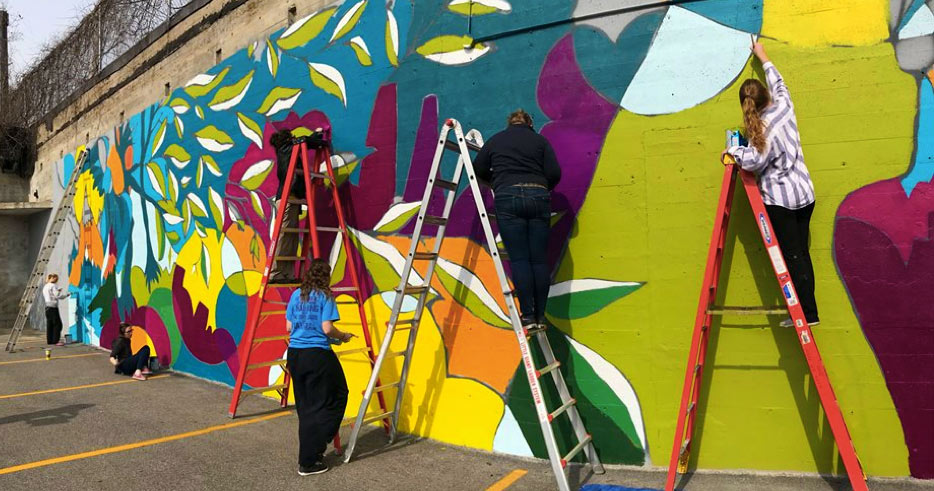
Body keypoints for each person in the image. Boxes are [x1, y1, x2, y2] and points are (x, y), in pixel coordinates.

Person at [722, 39, 819, 327]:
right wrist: (762, 56)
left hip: (782, 202)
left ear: (746, 105)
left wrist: (732, 150)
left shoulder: (762, 131)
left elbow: (753, 161)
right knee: (803, 252)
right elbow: (779, 81)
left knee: (792, 257)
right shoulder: (784, 105)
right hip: (805, 193)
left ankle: (806, 315)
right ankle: (809, 312)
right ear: (766, 95)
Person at [473, 109, 561, 329]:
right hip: (538, 195)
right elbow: (554, 172)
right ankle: (541, 315)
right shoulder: (540, 141)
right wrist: (541, 187)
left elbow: (478, 169)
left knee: (520, 260)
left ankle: (528, 315)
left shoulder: (496, 141)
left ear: (509, 123)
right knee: (538, 260)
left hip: (507, 196)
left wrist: (497, 184)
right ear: (529, 123)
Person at [285, 259, 354, 476]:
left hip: (295, 354)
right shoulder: (325, 295)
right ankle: (313, 452)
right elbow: (326, 328)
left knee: (306, 407)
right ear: (326, 276)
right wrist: (342, 337)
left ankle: (311, 455)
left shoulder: (297, 294)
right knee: (339, 393)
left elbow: (288, 326)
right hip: (317, 355)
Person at [269, 128, 304, 283]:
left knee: (291, 237)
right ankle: (275, 272)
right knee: (284, 235)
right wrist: (311, 139)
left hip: (292, 198)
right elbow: (300, 143)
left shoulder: (285, 152)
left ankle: (287, 273)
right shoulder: (285, 150)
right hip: (287, 199)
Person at [42, 274, 70, 346]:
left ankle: (50, 341)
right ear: (52, 278)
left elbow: (51, 295)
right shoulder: (53, 285)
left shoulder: (46, 286)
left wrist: (57, 291)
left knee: (50, 325)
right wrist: (66, 294)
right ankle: (55, 341)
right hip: (53, 307)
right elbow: (57, 296)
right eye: (56, 279)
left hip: (47, 307)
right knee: (58, 324)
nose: (57, 280)